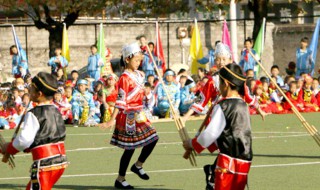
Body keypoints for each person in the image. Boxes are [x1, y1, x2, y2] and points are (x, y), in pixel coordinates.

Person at [183, 64, 252, 190]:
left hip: (227, 161)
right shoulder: (243, 104)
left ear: (225, 83)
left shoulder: (223, 105)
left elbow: (211, 133)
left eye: (219, 83)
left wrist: (192, 144)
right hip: (244, 161)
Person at [99, 42, 158, 189]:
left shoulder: (140, 75)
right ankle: (120, 179)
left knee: (153, 138)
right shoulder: (124, 78)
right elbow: (120, 101)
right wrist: (111, 120)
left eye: (140, 61)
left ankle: (138, 165)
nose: (138, 63)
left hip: (140, 113)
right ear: (127, 60)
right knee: (130, 148)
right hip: (128, 116)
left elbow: (142, 94)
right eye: (136, 60)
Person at [0, 72, 68, 189]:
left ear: (39, 94)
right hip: (60, 161)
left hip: (45, 163)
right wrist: (29, 147)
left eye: (31, 88)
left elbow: (24, 140)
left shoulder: (34, 114)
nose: (29, 89)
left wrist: (10, 147)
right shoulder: (56, 110)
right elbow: (46, 135)